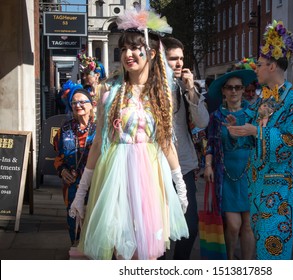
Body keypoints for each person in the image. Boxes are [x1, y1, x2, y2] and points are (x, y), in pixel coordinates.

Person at [69, 8, 189, 260]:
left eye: (135, 48)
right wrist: (81, 193)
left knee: (147, 254)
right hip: (115, 177)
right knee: (119, 250)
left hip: (150, 178)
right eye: (124, 49)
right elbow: (98, 143)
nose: (128, 54)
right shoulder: (109, 91)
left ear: (152, 53)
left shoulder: (161, 94)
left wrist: (180, 185)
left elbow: (166, 142)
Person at [227, 20, 293, 259]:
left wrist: (256, 132)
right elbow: (252, 138)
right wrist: (239, 130)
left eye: (260, 65)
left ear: (272, 66)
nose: (256, 69)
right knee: (262, 255)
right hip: (257, 191)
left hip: (278, 196)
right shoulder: (265, 99)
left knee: (274, 254)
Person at [161, 36, 209, 259]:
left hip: (184, 165)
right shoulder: (152, 88)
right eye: (173, 59)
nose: (179, 63)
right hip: (156, 168)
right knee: (158, 229)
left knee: (189, 227)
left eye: (181, 58)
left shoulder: (185, 87)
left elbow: (203, 122)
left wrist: (191, 90)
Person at [204, 69, 257, 260]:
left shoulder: (253, 114)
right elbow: (210, 144)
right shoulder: (216, 117)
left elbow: (260, 142)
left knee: (249, 225)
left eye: (238, 87)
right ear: (223, 92)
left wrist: (244, 134)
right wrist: (208, 165)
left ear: (243, 90)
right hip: (225, 175)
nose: (234, 91)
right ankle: (228, 262)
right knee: (233, 225)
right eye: (229, 88)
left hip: (249, 174)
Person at [53, 82, 97, 246]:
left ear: (91, 105)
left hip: (95, 184)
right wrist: (62, 170)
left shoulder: (100, 129)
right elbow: (58, 157)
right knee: (73, 222)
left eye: (82, 102)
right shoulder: (64, 129)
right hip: (71, 186)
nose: (78, 105)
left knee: (94, 221)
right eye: (74, 102)